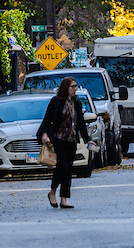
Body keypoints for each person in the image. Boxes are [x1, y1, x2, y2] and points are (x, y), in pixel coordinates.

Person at [36, 76, 96, 210]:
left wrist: (88, 140)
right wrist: (44, 133)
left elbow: (80, 124)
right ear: (66, 88)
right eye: (72, 86)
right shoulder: (56, 102)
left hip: (71, 140)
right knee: (61, 167)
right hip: (58, 139)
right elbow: (47, 119)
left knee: (68, 170)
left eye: (75, 86)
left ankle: (64, 199)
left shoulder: (77, 103)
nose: (75, 89)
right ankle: (52, 191)